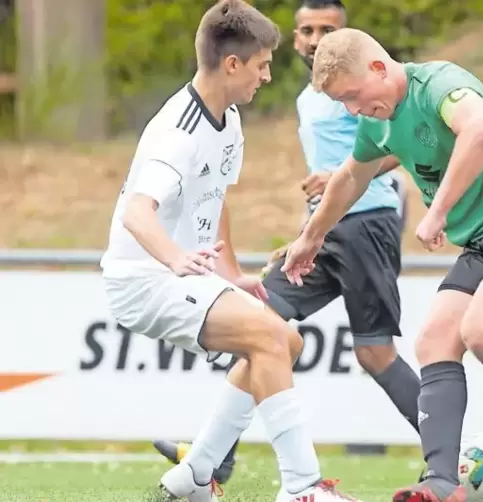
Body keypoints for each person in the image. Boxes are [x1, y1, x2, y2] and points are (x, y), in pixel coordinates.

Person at [282, 28, 483, 502]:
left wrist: (438, 210)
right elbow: (349, 177)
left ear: (379, 69)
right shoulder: (376, 122)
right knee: (433, 342)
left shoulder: (440, 86)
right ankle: (442, 482)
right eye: (342, 103)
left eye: (354, 96)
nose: (353, 110)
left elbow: (481, 129)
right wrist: (310, 237)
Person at [150, 0, 423, 489]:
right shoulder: (310, 97)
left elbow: (400, 145)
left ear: (346, 36)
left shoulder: (359, 88)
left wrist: (341, 177)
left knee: (374, 353)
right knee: (260, 325)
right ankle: (214, 462)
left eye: (327, 30)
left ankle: (450, 455)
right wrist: (305, 233)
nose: (315, 39)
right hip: (326, 231)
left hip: (367, 224)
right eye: (306, 30)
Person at [99, 1, 359, 501]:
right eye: (261, 65)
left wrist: (230, 273)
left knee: (286, 341)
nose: (266, 75)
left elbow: (215, 199)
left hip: (185, 274)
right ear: (233, 64)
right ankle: (303, 489)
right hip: (144, 280)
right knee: (268, 339)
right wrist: (177, 259)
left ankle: (195, 475)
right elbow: (137, 213)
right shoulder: (177, 132)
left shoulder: (229, 119)